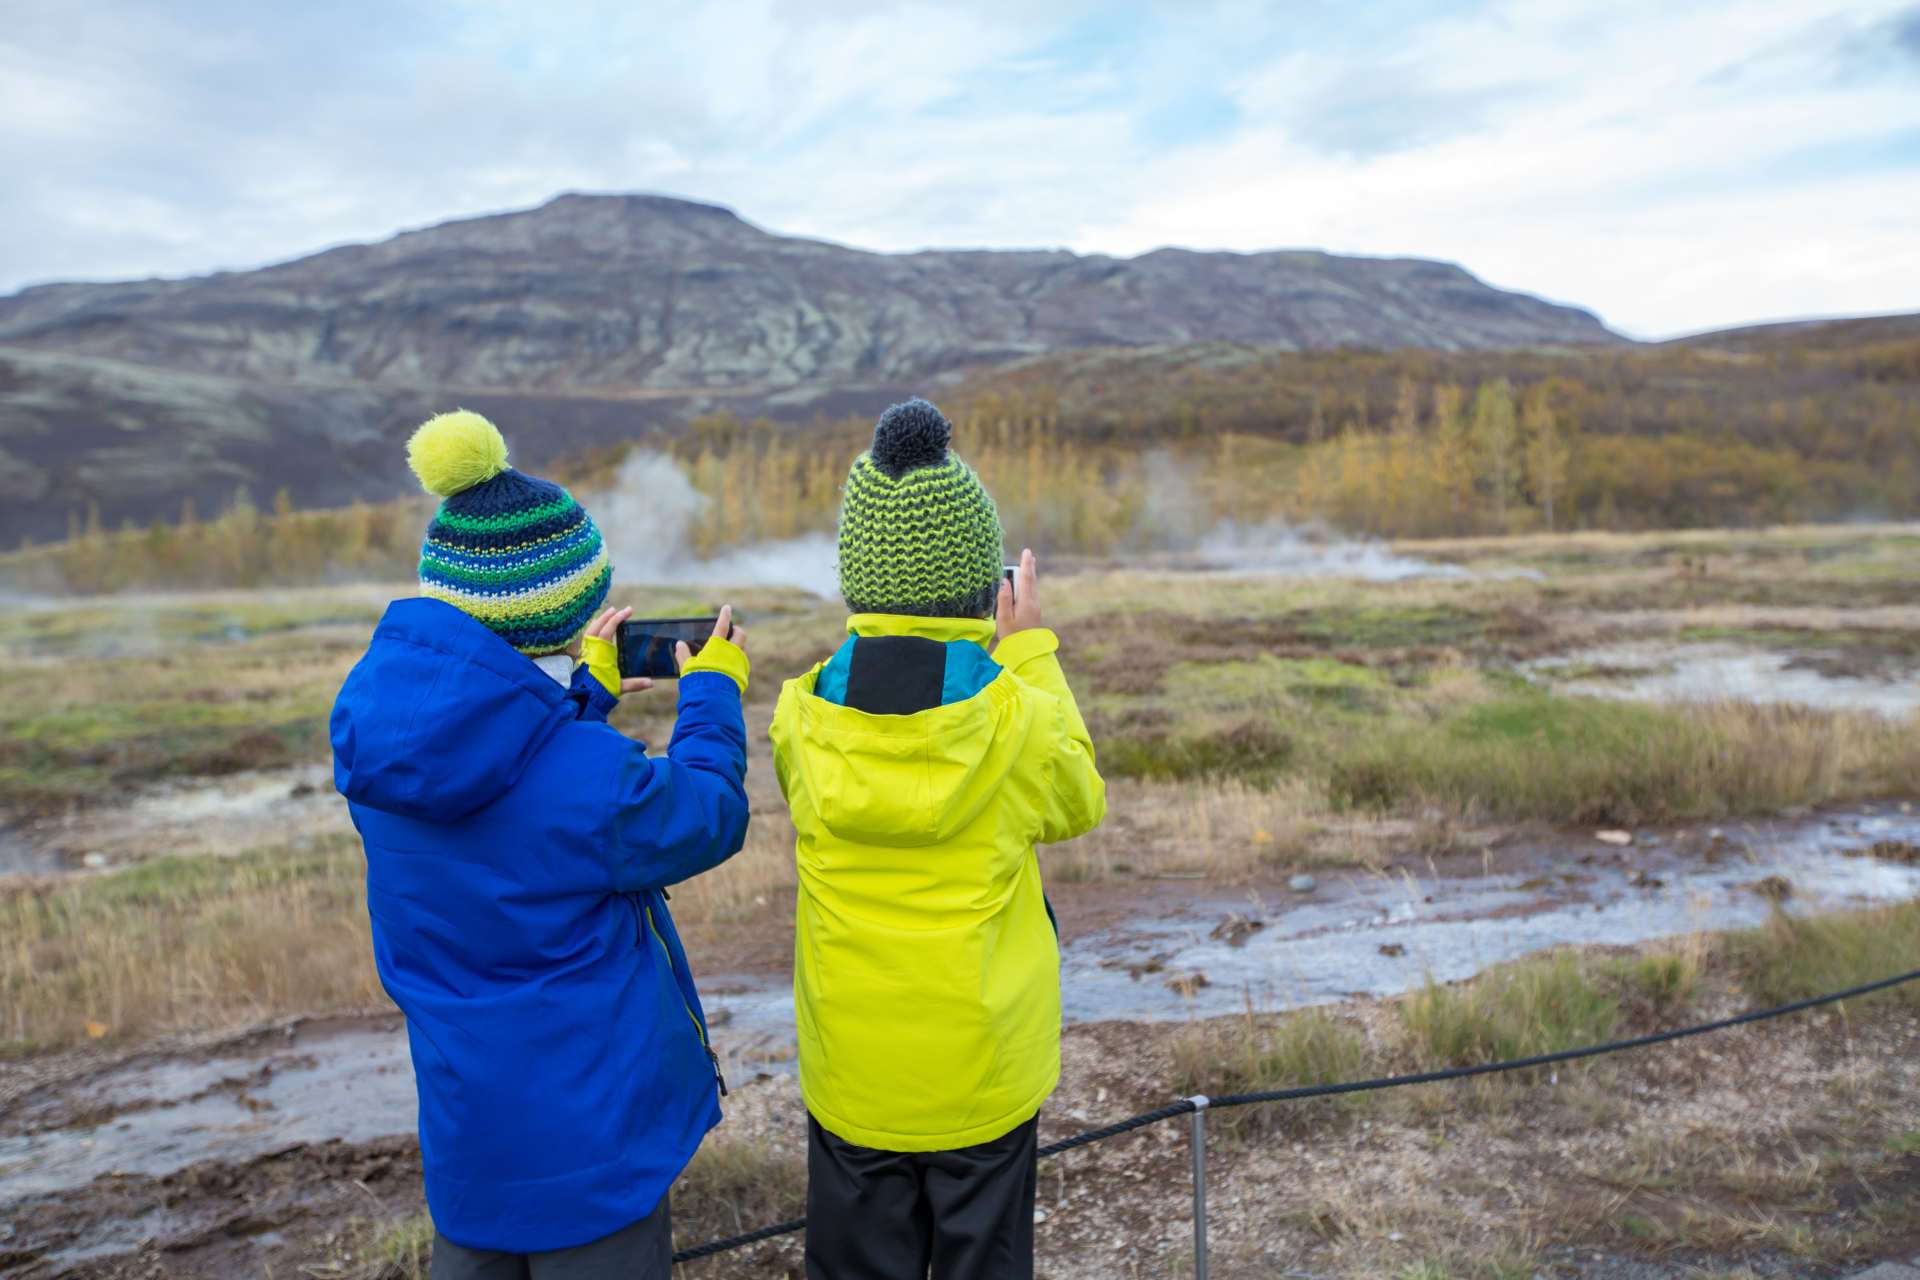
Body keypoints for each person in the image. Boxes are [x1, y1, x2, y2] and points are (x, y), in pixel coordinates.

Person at [328, 410, 750, 1279]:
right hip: (594, 1153)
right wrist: (711, 693)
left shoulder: (382, 734)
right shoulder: (583, 776)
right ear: (570, 608)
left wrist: (575, 699)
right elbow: (707, 813)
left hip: (469, 1139)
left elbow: (503, 782)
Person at [769, 398, 1106, 1280]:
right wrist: (1030, 651)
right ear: (982, 584)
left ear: (859, 577)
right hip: (983, 1074)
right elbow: (1079, 802)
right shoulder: (1019, 718)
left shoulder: (798, 716)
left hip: (853, 1075)